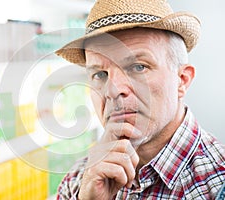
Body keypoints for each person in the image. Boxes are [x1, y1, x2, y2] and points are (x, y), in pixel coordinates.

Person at [55, 0, 225, 199]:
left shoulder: (217, 182)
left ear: (182, 80)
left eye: (138, 67)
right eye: (100, 74)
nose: (113, 90)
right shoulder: (78, 181)